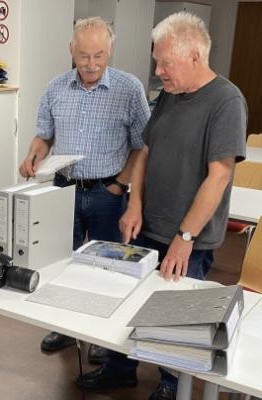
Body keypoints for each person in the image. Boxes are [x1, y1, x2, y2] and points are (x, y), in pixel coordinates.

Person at [77, 11, 247, 400]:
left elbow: (218, 176)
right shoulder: (170, 95)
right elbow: (146, 152)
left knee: (177, 316)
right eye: (157, 61)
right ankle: (121, 369)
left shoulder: (226, 101)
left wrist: (186, 236)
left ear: (194, 56)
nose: (158, 71)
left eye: (165, 62)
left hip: (190, 238)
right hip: (147, 225)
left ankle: (173, 383)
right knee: (130, 303)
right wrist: (134, 205)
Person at [19, 17, 150, 361]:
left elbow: (142, 145)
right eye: (83, 56)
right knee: (66, 264)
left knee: (109, 271)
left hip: (108, 193)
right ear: (71, 52)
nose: (91, 64)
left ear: (111, 51)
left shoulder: (129, 88)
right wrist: (33, 154)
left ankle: (106, 345)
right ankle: (67, 329)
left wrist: (120, 184)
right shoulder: (55, 88)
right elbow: (44, 136)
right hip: (64, 190)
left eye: (99, 56)